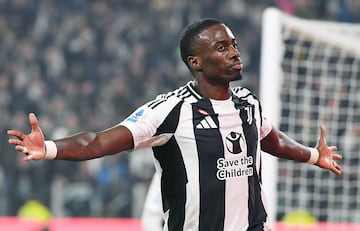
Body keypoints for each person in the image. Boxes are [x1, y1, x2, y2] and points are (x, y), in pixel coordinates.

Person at [7, 18, 342, 231]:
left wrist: (313, 155)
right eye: (222, 47)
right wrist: (50, 148)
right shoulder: (170, 110)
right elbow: (98, 141)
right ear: (195, 62)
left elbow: (269, 138)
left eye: (235, 45)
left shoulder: (247, 102)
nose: (235, 53)